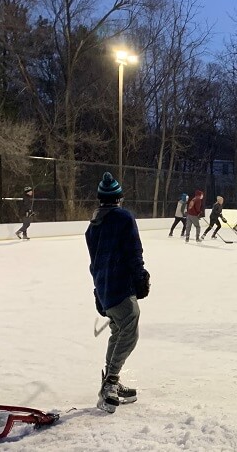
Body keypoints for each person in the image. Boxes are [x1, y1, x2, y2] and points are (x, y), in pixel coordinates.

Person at [85, 172, 150, 413]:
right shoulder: (124, 218)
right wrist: (140, 277)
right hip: (119, 286)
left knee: (118, 330)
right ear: (118, 199)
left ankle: (111, 381)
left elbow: (95, 263)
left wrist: (98, 291)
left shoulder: (92, 227)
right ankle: (110, 383)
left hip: (103, 288)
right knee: (129, 328)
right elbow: (134, 251)